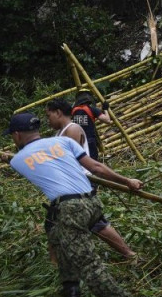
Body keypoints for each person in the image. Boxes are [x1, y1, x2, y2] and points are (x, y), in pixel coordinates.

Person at [2, 113, 144, 297]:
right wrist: (127, 181)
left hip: (71, 209)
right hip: (92, 202)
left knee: (88, 265)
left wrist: (7, 157)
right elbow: (96, 167)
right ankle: (70, 290)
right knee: (56, 235)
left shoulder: (17, 160)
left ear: (17, 135)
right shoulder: (64, 141)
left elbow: (27, 159)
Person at [45, 99, 136, 260]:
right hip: (68, 186)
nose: (48, 119)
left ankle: (129, 254)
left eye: (49, 115)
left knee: (95, 223)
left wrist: (126, 181)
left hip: (78, 186)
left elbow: (78, 163)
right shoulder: (60, 132)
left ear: (58, 112)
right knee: (52, 224)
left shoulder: (72, 130)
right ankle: (57, 264)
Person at [72, 91, 112, 162]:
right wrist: (105, 109)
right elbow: (107, 120)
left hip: (78, 142)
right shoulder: (91, 109)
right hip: (89, 141)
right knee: (93, 162)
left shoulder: (73, 111)